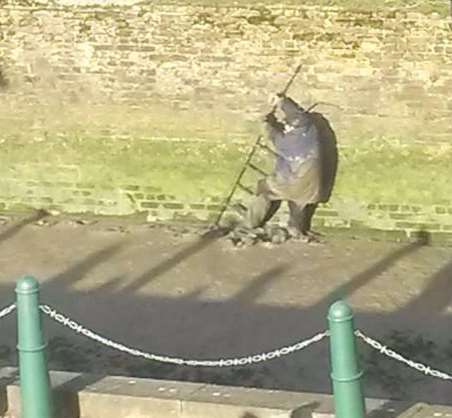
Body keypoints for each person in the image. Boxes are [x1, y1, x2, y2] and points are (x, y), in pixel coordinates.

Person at [242, 93, 336, 241]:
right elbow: (295, 114)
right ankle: (296, 228)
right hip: (312, 183)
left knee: (264, 188)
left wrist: (266, 122)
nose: (285, 125)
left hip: (289, 181)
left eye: (286, 124)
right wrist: (281, 100)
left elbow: (270, 134)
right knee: (300, 201)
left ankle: (249, 224)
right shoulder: (308, 128)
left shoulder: (283, 142)